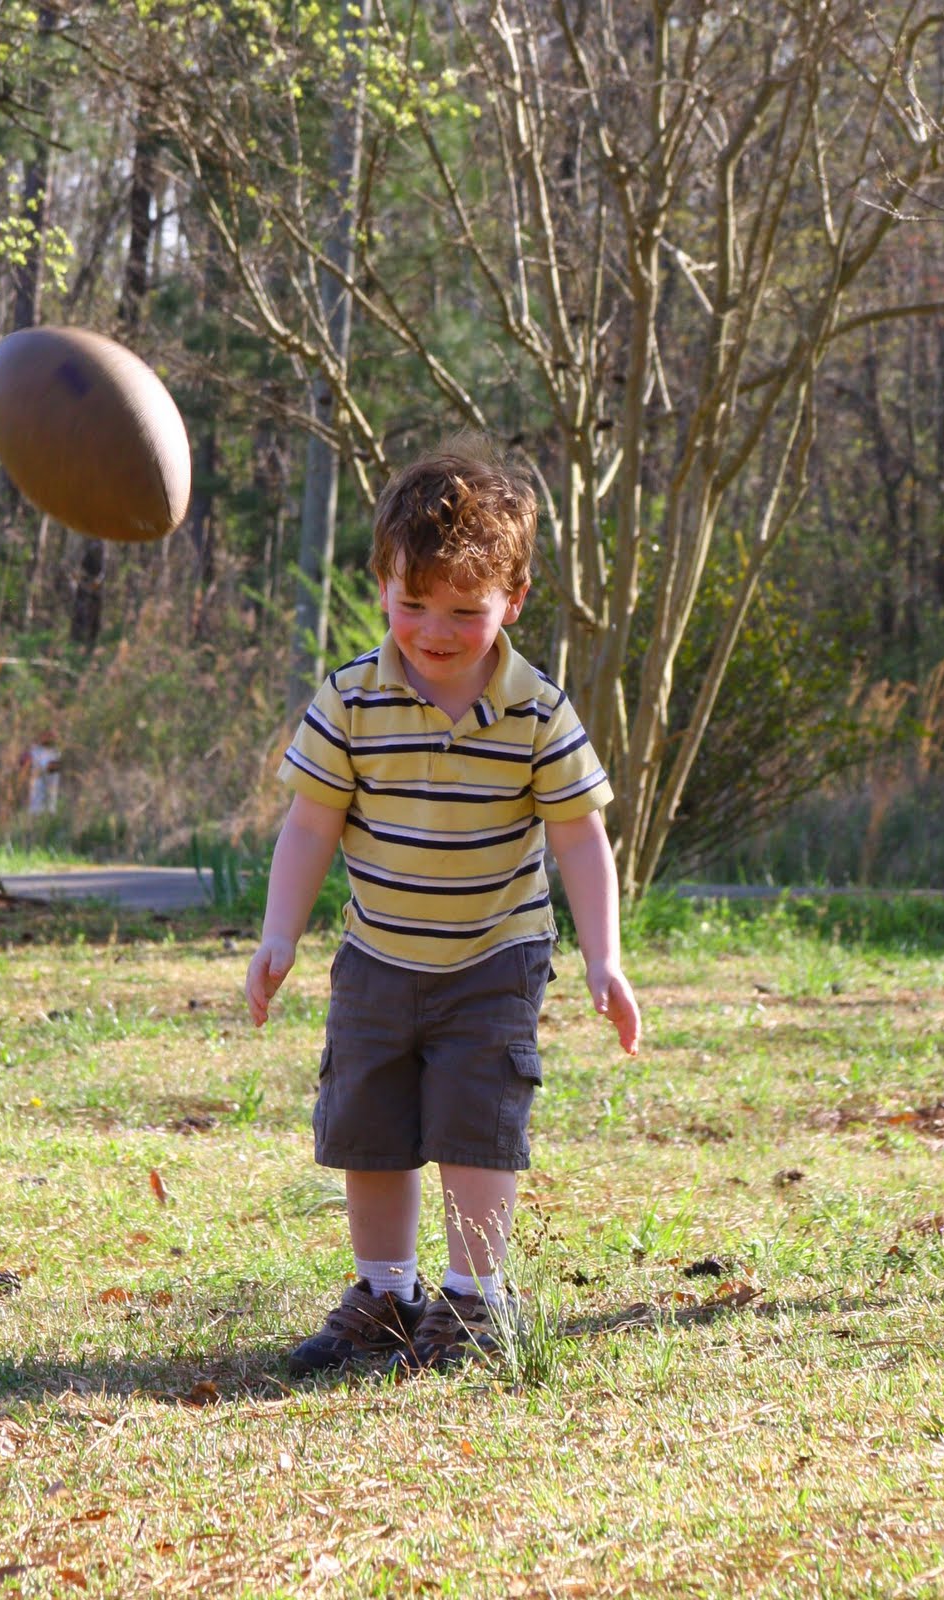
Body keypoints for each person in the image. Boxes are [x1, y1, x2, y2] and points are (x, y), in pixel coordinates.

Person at [245, 440, 641, 1376]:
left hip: (494, 959)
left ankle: (473, 1301)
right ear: (383, 581)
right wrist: (278, 935)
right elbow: (310, 825)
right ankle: (386, 1294)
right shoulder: (351, 700)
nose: (434, 629)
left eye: (466, 610)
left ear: (514, 599)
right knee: (370, 1127)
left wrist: (605, 957)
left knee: (476, 1124)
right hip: (377, 958)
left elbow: (580, 837)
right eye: (412, 602)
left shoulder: (537, 711)